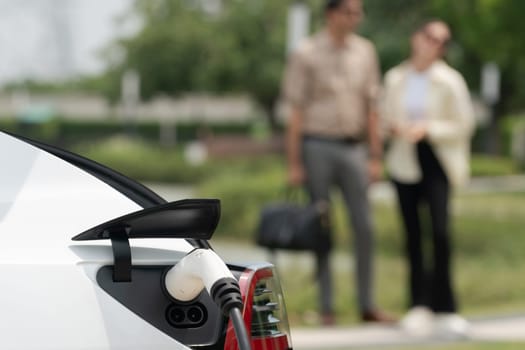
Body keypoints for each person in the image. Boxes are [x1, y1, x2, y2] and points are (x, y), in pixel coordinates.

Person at [281, 0, 392, 325]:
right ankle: (326, 306)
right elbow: (296, 111)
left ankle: (367, 304)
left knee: (365, 227)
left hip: (354, 147)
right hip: (316, 145)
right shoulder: (306, 52)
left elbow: (373, 106)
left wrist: (375, 155)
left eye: (359, 12)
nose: (356, 17)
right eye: (349, 11)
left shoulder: (365, 51)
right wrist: (294, 164)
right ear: (331, 14)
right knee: (322, 227)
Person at [382, 20, 475, 337]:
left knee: (440, 232)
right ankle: (418, 305)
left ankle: (446, 307)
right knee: (412, 235)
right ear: (416, 38)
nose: (435, 44)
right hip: (404, 160)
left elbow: (464, 125)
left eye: (442, 41)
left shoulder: (450, 81)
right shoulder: (395, 78)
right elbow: (383, 117)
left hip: (437, 160)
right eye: (430, 37)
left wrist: (429, 129)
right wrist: (394, 127)